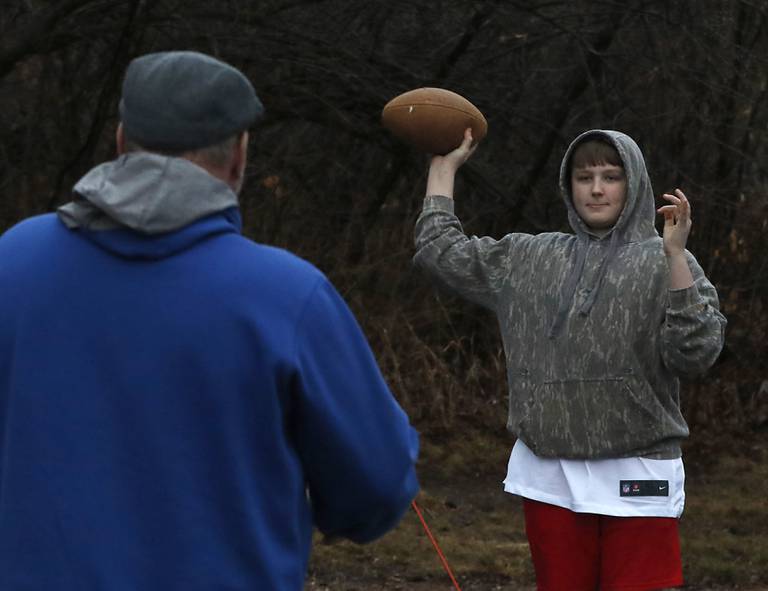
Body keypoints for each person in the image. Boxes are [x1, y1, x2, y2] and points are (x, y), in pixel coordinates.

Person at [0, 51, 419, 590]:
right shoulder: (287, 295)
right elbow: (376, 492)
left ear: (122, 140)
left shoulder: (14, 260)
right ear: (240, 157)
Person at [414, 128, 726, 591]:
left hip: (638, 472)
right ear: (569, 185)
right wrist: (443, 167)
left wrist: (676, 256)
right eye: (585, 177)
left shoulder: (665, 260)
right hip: (550, 472)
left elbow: (695, 355)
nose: (597, 188)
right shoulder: (529, 256)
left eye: (610, 176)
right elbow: (441, 251)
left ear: (633, 183)